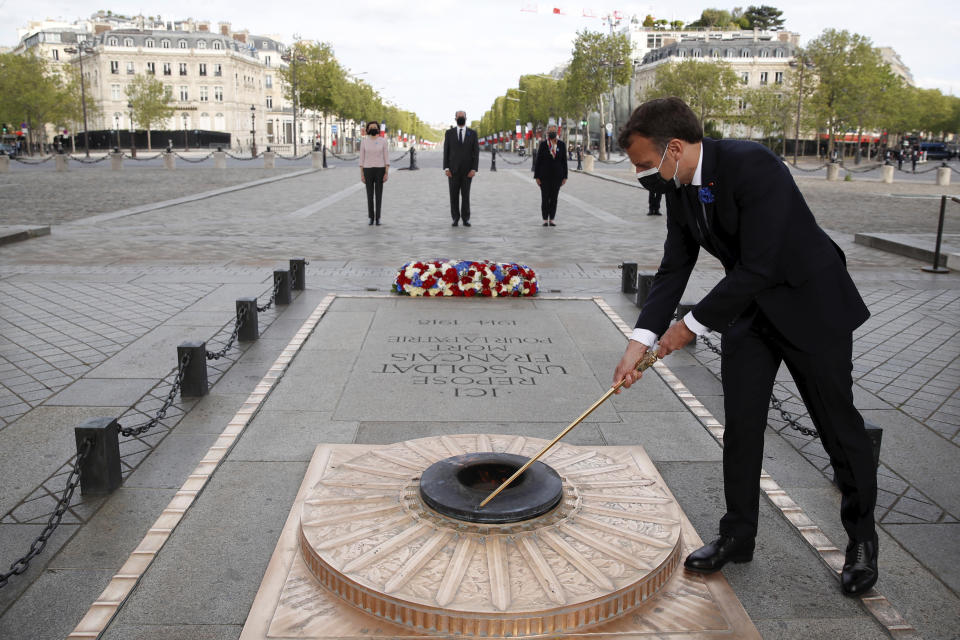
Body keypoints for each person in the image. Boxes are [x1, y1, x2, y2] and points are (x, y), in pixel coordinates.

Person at [611, 97, 878, 597]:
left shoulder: (752, 164)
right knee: (742, 425)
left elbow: (762, 263)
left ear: (673, 148)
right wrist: (639, 340)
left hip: (809, 302)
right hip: (752, 310)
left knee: (838, 428)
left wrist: (688, 327)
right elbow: (674, 266)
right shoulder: (678, 188)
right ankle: (738, 534)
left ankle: (862, 539)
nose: (644, 175)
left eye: (646, 164)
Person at [443, 110, 479, 227]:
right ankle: (455, 218)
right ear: (455, 119)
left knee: (466, 195)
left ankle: (466, 218)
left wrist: (474, 169)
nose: (460, 118)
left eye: (462, 116)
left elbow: (476, 152)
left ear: (466, 118)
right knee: (453, 196)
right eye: (459, 117)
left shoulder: (473, 133)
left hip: (467, 172)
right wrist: (446, 168)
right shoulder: (449, 133)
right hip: (452, 171)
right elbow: (446, 152)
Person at [533, 124, 568, 226]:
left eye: (554, 131)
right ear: (547, 133)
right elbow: (538, 161)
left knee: (554, 198)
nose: (552, 132)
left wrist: (565, 176)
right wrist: (537, 176)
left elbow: (564, 161)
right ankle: (545, 219)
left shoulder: (561, 145)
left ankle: (552, 218)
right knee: (545, 198)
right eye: (550, 131)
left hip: (557, 176)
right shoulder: (544, 144)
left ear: (557, 132)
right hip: (544, 176)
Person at [359, 121, 389, 225]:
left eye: (374, 127)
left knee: (379, 194)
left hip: (380, 169)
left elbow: (386, 157)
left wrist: (386, 172)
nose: (372, 129)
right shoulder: (364, 142)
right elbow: (361, 159)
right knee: (369, 194)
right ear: (367, 130)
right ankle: (371, 217)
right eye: (370, 127)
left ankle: (378, 218)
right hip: (367, 169)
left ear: (378, 129)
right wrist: (362, 174)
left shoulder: (383, 141)